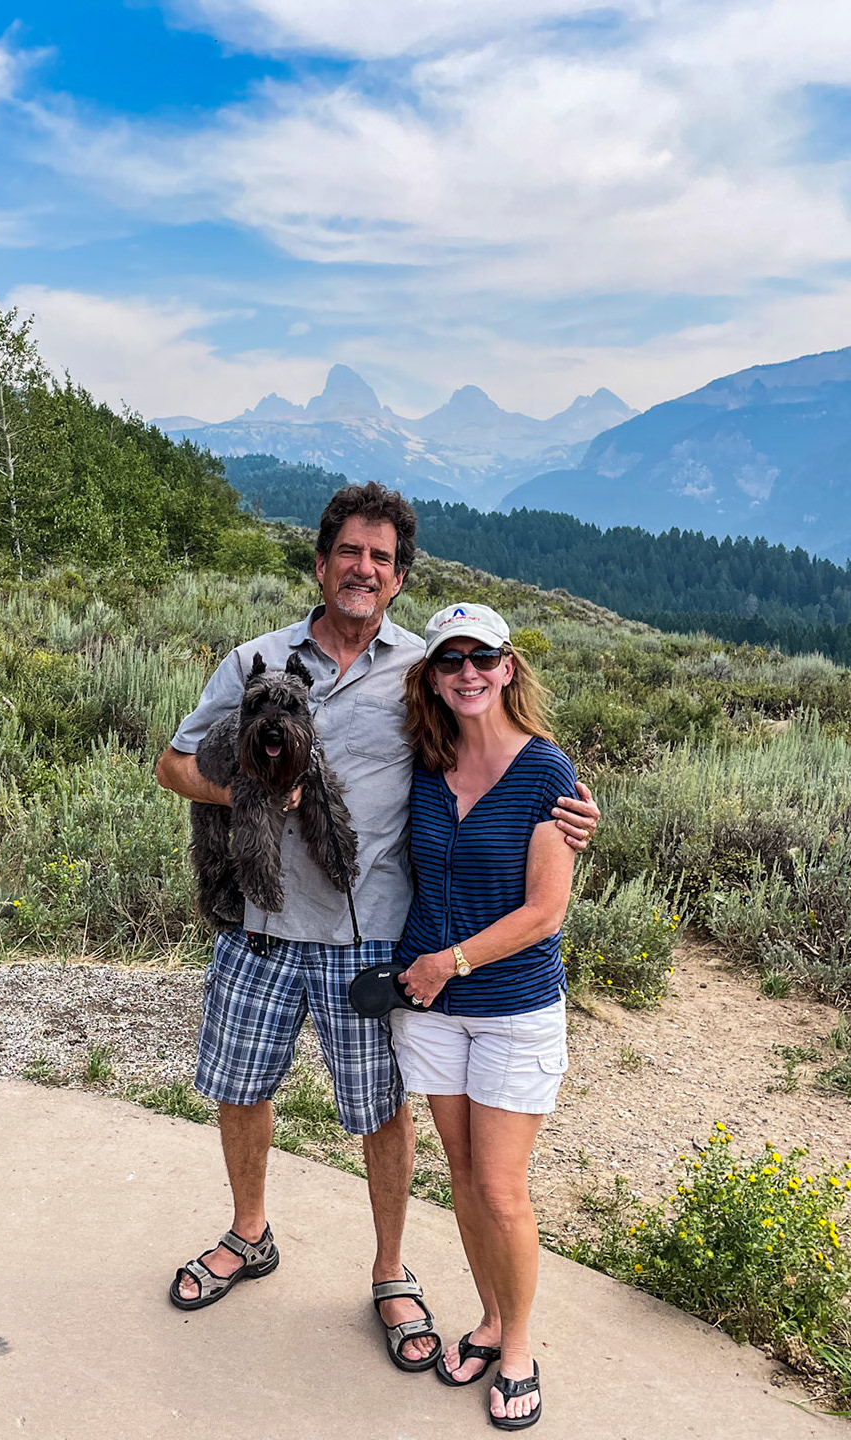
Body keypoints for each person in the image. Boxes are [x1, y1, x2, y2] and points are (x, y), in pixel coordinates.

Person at [154, 483, 600, 1375]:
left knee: (378, 1112)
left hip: (371, 941)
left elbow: (494, 747)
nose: (364, 570)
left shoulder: (422, 669)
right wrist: (246, 791)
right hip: (259, 929)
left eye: (383, 560)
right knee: (241, 1089)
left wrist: (571, 806)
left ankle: (391, 1269)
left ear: (398, 579)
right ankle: (250, 1234)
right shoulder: (256, 660)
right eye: (350, 553)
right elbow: (171, 764)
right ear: (320, 564)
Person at [390, 600, 577, 1429]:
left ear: (508, 669)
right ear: (432, 676)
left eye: (482, 657)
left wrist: (450, 961)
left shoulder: (547, 776)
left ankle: (519, 1348)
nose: (467, 672)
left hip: (507, 1007)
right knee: (463, 1178)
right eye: (449, 659)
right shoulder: (424, 763)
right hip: (430, 1010)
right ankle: (490, 1316)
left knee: (502, 1188)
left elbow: (544, 913)